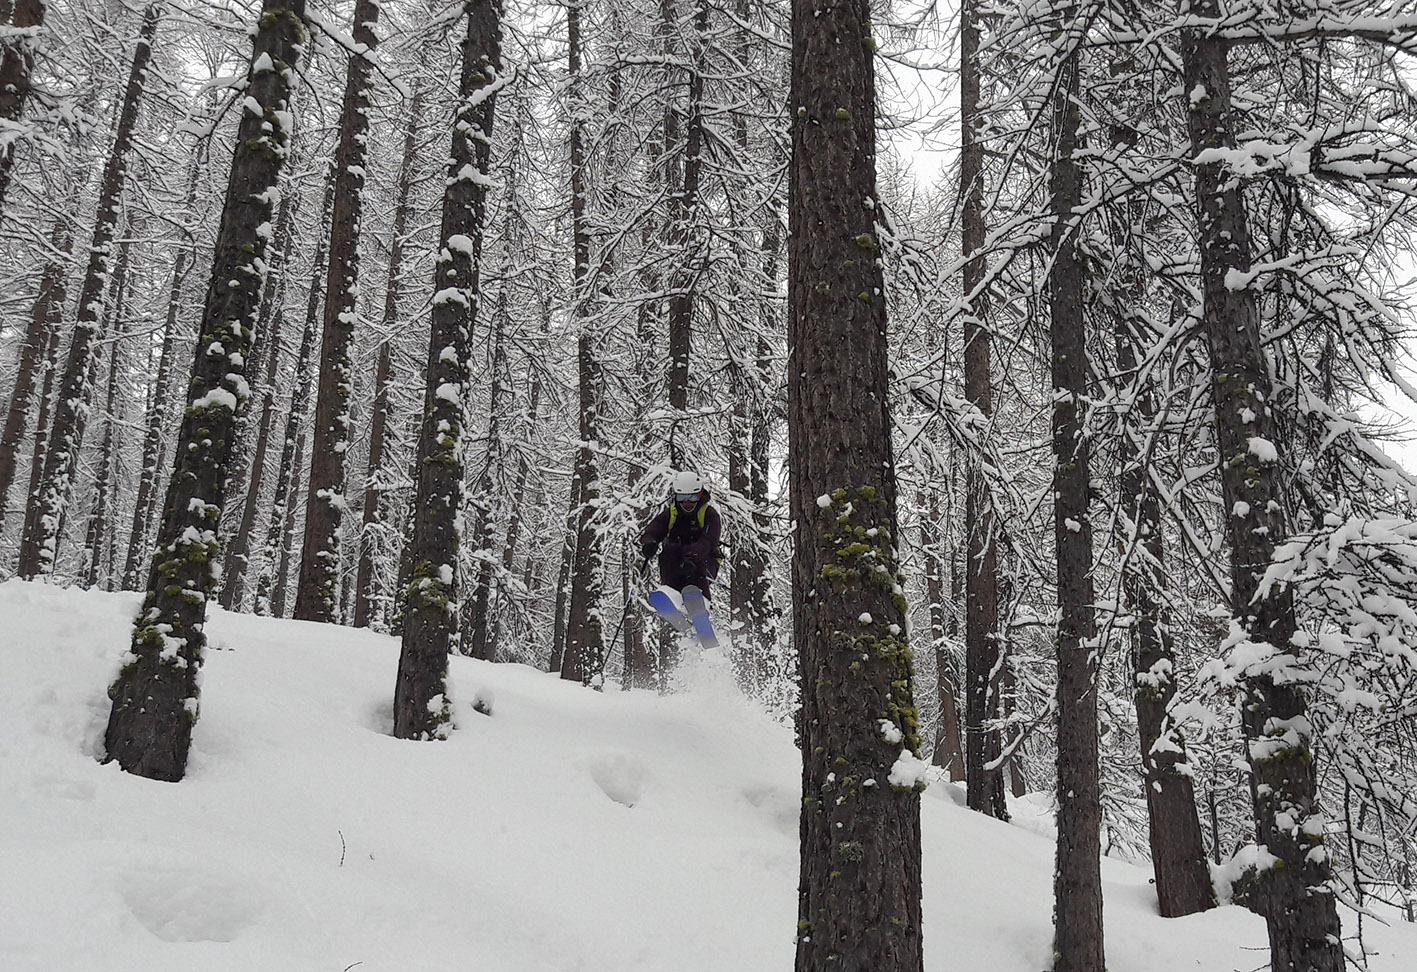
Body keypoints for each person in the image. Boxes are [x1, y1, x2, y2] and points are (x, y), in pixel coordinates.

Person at [640, 471, 721, 598]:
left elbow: (709, 541)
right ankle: (672, 596)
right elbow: (656, 527)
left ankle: (700, 601)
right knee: (668, 553)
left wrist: (691, 555)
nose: (687, 503)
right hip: (677, 561)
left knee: (696, 568)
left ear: (699, 495)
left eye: (692, 498)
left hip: (703, 560)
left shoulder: (709, 514)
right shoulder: (673, 513)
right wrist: (649, 542)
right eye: (682, 498)